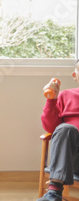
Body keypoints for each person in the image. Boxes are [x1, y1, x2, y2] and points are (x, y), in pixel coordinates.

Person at [38, 60, 79, 201]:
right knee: (65, 128)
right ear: (75, 75)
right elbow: (50, 128)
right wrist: (51, 100)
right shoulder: (65, 96)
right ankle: (53, 194)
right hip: (71, 156)